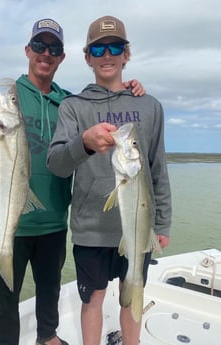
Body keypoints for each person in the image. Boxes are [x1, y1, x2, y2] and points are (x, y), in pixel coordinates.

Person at [0, 18, 146, 345]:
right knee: (5, 301)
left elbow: (105, 119)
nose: (46, 53)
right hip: (8, 219)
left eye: (54, 48)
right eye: (39, 45)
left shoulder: (69, 104)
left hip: (53, 219)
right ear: (28, 50)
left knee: (50, 289)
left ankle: (47, 337)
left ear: (62, 57)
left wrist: (131, 91)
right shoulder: (3, 97)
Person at [47, 15, 172, 345]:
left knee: (132, 300)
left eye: (115, 46)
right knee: (93, 302)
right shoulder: (73, 107)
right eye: (98, 48)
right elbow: (57, 164)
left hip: (139, 228)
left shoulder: (149, 105)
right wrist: (84, 143)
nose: (107, 55)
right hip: (91, 229)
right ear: (87, 57)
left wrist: (163, 224)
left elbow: (157, 168)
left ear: (126, 54)